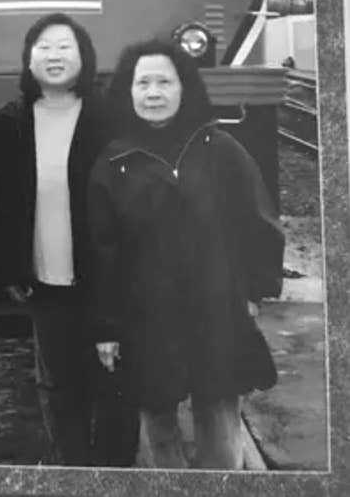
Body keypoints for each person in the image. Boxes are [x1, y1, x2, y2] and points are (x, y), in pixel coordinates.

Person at [88, 38, 285, 470]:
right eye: (143, 83)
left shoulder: (220, 148)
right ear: (128, 90)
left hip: (216, 307)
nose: (153, 93)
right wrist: (107, 326)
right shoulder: (113, 161)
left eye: (164, 81)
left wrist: (255, 289)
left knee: (218, 417)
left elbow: (257, 220)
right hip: (146, 315)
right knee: (157, 419)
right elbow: (103, 251)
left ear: (184, 88)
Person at [0, 12, 140, 468]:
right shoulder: (10, 121)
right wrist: (11, 269)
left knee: (115, 387)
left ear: (84, 57)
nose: (54, 56)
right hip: (46, 283)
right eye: (44, 47)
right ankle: (69, 468)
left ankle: (113, 473)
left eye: (64, 47)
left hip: (106, 281)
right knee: (58, 387)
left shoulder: (111, 118)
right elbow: (5, 204)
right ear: (28, 60)